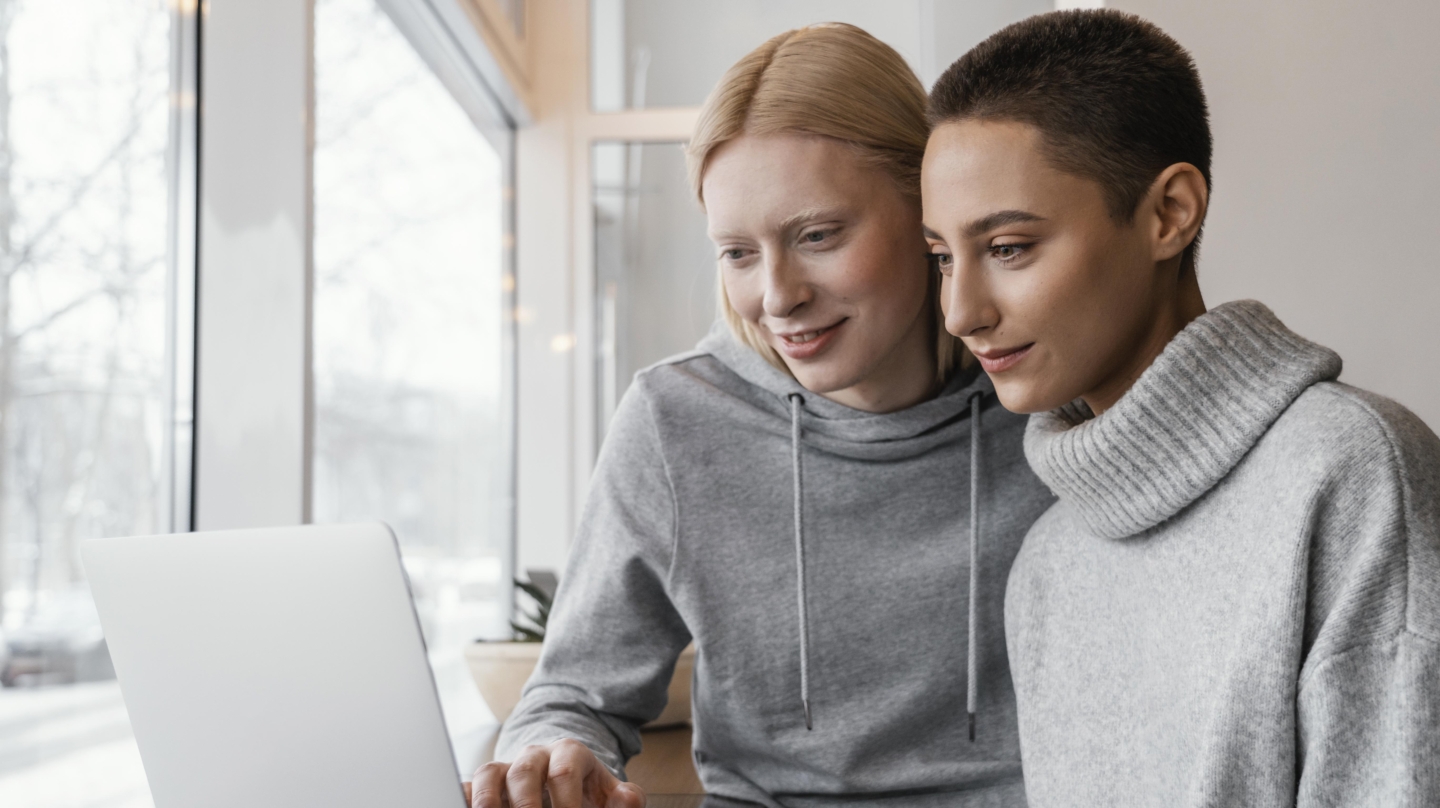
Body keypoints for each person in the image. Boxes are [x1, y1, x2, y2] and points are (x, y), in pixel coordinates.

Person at [467, 23, 1055, 808]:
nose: (778, 297)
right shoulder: (675, 421)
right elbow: (572, 692)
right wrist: (551, 754)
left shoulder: (1049, 401)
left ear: (928, 214)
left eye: (817, 236)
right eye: (738, 252)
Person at [920, 9, 1440, 807]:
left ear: (1169, 213)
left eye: (1009, 248)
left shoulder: (1354, 473)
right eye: (942, 257)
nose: (961, 311)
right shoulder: (1047, 566)